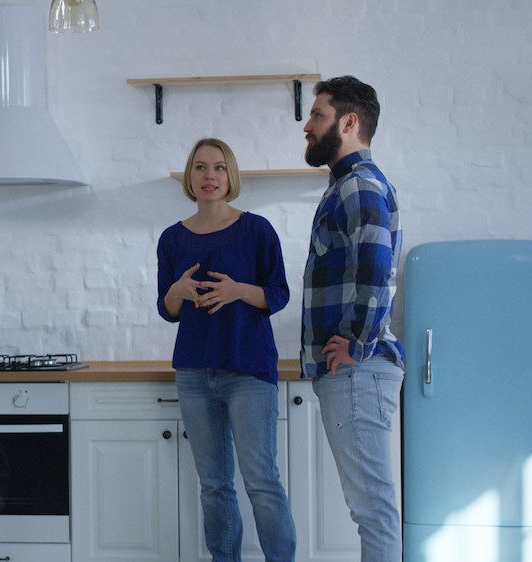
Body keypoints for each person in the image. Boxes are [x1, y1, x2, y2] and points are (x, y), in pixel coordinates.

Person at [157, 138, 296, 562]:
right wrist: (177, 291)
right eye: (200, 168)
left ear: (230, 176)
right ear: (190, 177)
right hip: (195, 374)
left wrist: (238, 291)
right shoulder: (172, 238)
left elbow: (279, 294)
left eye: (218, 167)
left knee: (261, 480)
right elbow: (168, 310)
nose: (209, 176)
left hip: (248, 371)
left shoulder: (256, 230)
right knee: (214, 484)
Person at [301, 75, 404, 562]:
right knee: (371, 508)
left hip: (358, 371)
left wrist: (357, 343)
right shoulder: (347, 186)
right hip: (354, 372)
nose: (308, 125)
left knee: (374, 510)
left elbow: (378, 270)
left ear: (349, 122)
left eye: (317, 115)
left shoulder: (359, 185)